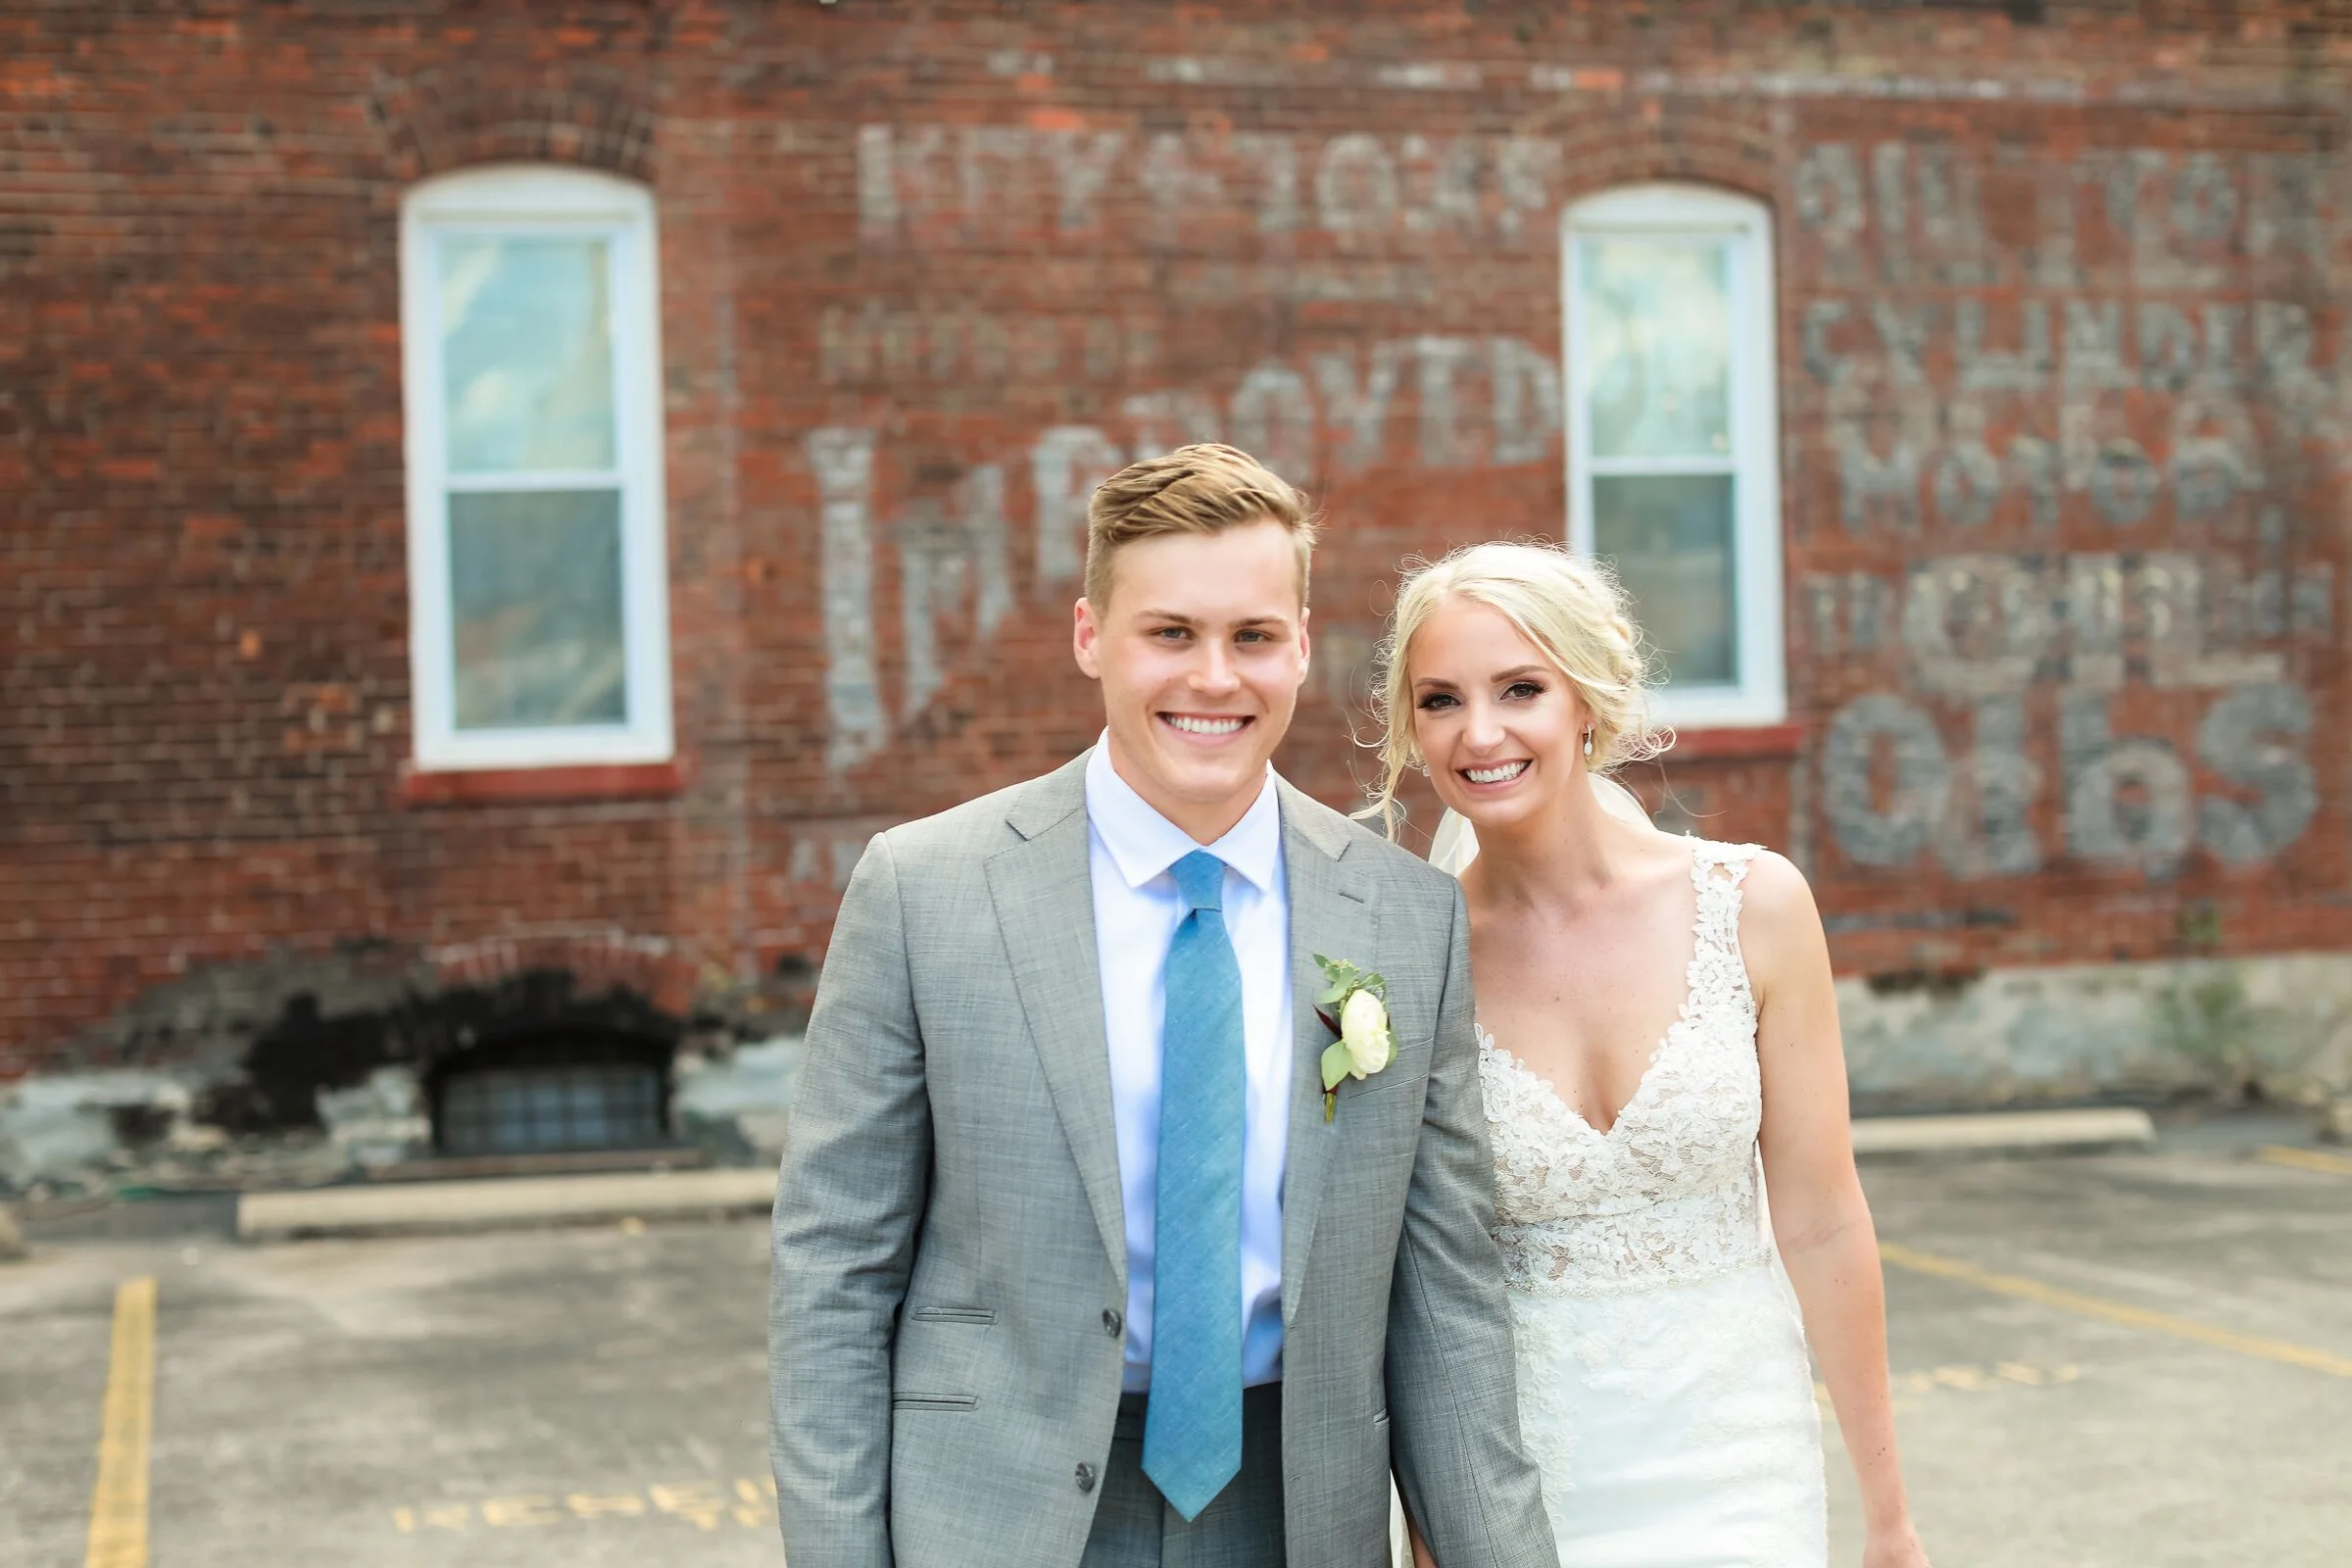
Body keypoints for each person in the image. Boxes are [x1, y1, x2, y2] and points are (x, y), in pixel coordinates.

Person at [769, 446, 1556, 1568]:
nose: (1214, 679)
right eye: (1170, 633)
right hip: (996, 1511)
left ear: (1300, 643)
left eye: (1250, 637)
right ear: (1092, 636)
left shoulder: (1402, 915)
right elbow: (833, 1271)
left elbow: (1448, 1299)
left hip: (1293, 1510)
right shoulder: (925, 889)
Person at [1366, 541, 1933, 1568]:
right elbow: (1409, 1281)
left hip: (1738, 1462)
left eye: (1520, 689)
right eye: (1440, 700)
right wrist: (1431, 1526)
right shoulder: (1408, 953)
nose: (1478, 732)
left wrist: (1889, 1516)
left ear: (1587, 699)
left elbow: (1821, 1217)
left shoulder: (1753, 905)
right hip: (1523, 1482)